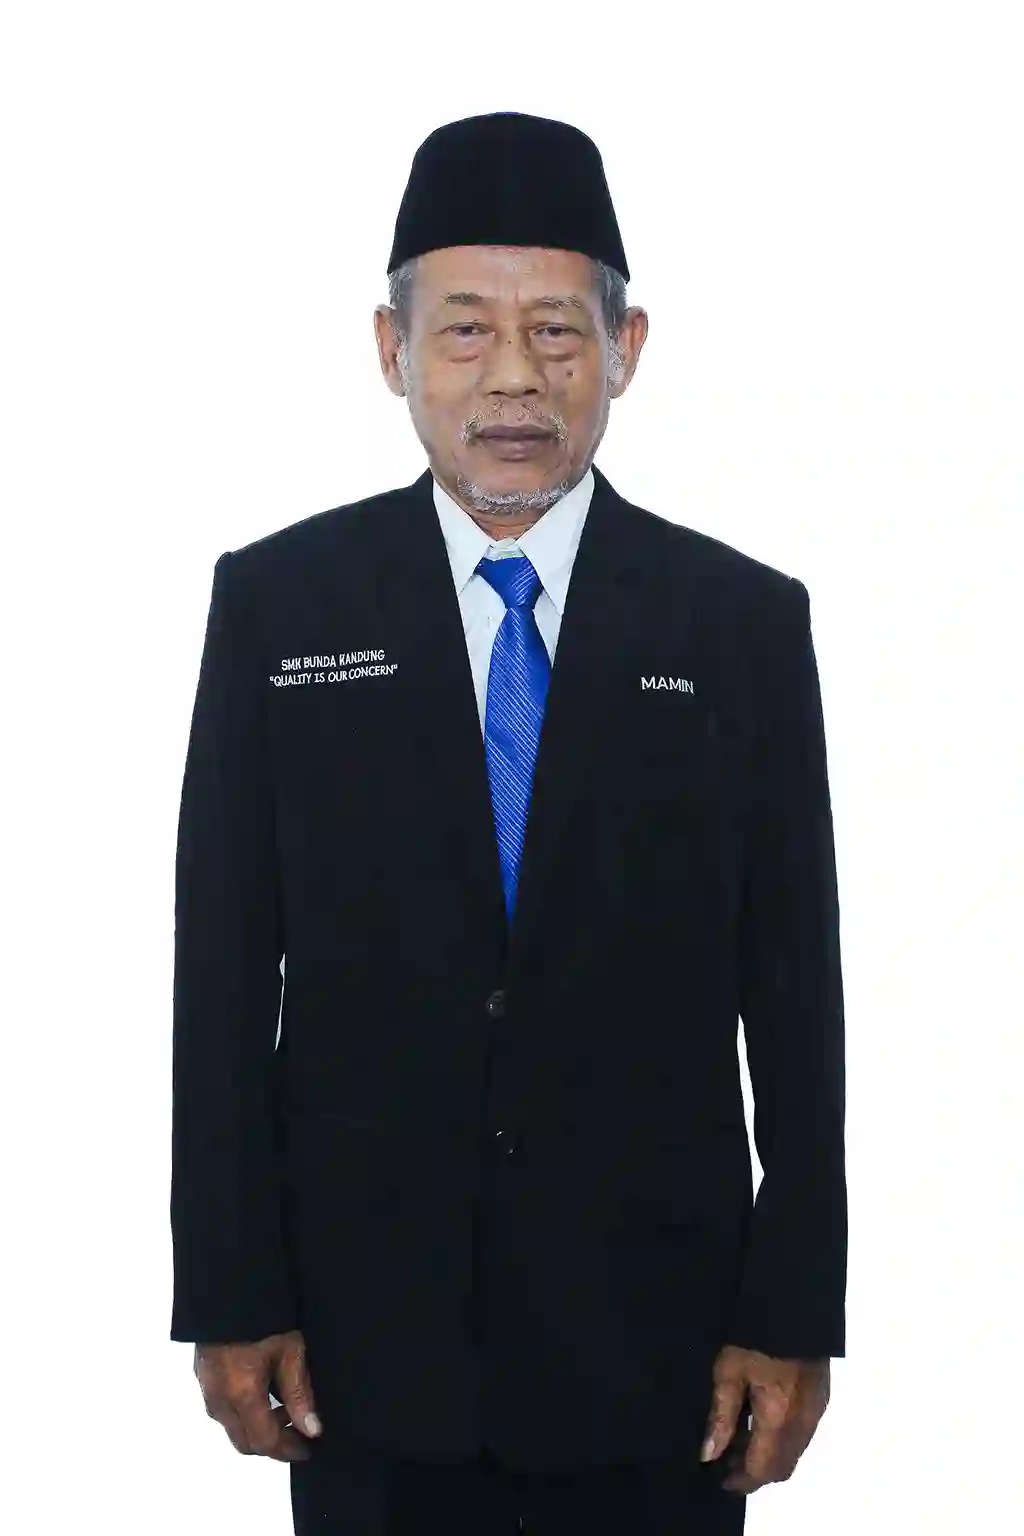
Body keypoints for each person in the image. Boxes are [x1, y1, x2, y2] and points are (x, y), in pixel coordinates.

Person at [170, 111, 847, 1535]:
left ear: (626, 348)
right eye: (466, 330)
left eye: (556, 331)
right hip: (360, 1342)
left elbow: (797, 994)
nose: (515, 379)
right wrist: (228, 1289)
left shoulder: (737, 622)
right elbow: (221, 976)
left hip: (662, 1344)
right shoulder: (282, 605)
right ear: (391, 349)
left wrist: (795, 1308)